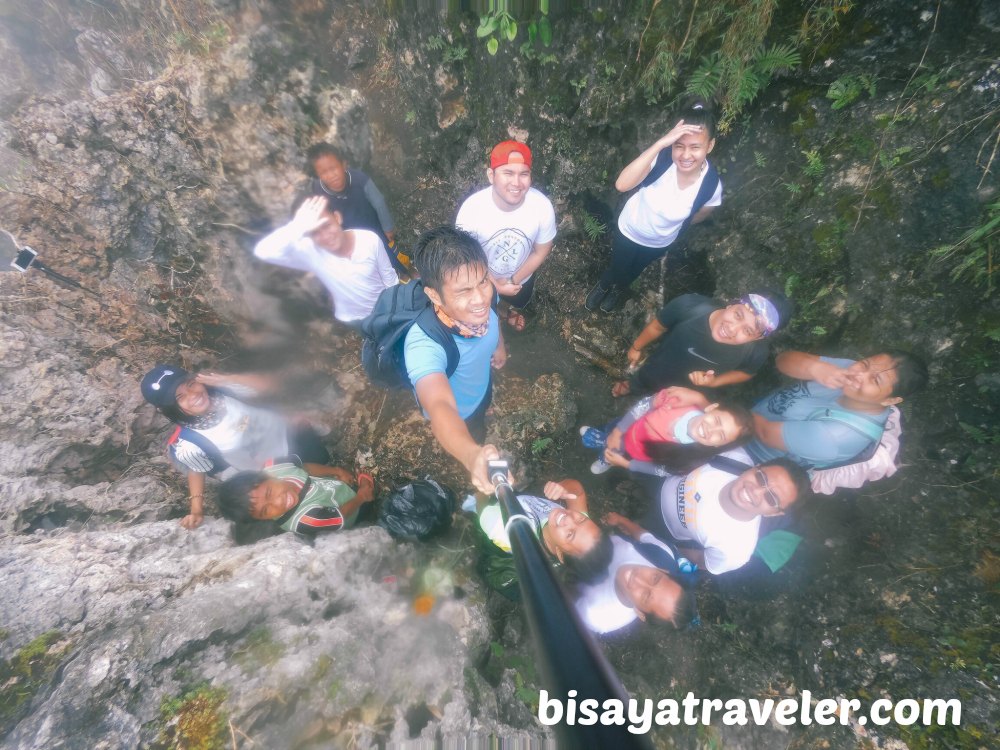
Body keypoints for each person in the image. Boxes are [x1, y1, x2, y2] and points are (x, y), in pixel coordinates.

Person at [140, 365, 329, 529]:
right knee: (309, 499)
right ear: (169, 409)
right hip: (273, 475)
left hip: (295, 440)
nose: (193, 394)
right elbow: (197, 469)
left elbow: (269, 386)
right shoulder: (189, 443)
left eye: (191, 384)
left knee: (327, 467)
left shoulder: (225, 391)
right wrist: (196, 510)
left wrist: (226, 380)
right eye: (180, 397)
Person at [585, 102, 721, 313]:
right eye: (679, 145)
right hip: (630, 230)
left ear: (710, 146)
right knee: (619, 265)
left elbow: (702, 213)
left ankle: (618, 289)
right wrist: (660, 144)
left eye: (695, 147)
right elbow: (622, 185)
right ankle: (604, 284)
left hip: (659, 242)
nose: (685, 155)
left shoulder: (711, 184)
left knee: (635, 270)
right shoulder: (662, 159)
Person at [403, 226, 508, 493]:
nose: (480, 299)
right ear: (434, 295)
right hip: (460, 412)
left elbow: (492, 317)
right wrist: (472, 455)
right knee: (475, 431)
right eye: (463, 291)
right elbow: (439, 406)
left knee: (484, 407)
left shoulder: (486, 296)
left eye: (483, 281)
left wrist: (499, 347)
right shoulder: (424, 344)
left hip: (482, 388)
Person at [747, 350, 928, 469]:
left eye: (875, 380)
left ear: (891, 400)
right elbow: (782, 360)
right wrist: (814, 367)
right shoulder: (854, 371)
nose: (860, 375)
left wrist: (726, 410)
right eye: (865, 364)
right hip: (752, 413)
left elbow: (764, 433)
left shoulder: (838, 436)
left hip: (752, 456)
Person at [647, 450, 810, 575]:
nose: (756, 491)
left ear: (774, 513)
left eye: (771, 498)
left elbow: (702, 560)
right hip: (660, 477)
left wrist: (665, 548)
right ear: (756, 467)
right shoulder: (735, 457)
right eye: (761, 478)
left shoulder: (736, 550)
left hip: (661, 529)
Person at [456, 140, 557, 332]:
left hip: (521, 278)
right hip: (480, 280)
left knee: (519, 302)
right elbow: (466, 258)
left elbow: (541, 250)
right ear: (491, 175)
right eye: (508, 173)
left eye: (523, 174)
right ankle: (497, 320)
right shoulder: (471, 211)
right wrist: (495, 285)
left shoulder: (541, 207)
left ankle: (508, 312)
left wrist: (512, 280)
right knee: (483, 310)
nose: (516, 183)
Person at [612, 290, 791, 398]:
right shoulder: (690, 306)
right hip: (655, 369)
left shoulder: (755, 352)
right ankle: (631, 388)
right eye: (738, 315)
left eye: (748, 331)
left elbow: (746, 373)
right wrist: (636, 347)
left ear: (757, 338)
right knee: (640, 381)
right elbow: (658, 326)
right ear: (732, 304)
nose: (732, 329)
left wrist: (714, 383)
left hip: (684, 394)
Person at [254, 195, 398, 327]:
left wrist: (396, 307)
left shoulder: (369, 240)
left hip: (387, 307)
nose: (325, 236)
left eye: (326, 225)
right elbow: (263, 252)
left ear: (337, 217)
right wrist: (297, 226)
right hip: (357, 320)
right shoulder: (310, 251)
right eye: (314, 232)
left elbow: (389, 276)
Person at [579, 387, 754, 475]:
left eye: (721, 436)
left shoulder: (691, 459)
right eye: (717, 420)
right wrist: (618, 431)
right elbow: (643, 406)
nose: (711, 430)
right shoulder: (678, 401)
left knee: (613, 453)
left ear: (718, 445)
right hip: (627, 427)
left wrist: (625, 464)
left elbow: (659, 469)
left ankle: (607, 460)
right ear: (712, 408)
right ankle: (603, 435)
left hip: (634, 454)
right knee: (610, 433)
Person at [575, 511, 695, 636]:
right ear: (663, 570)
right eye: (655, 578)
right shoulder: (661, 554)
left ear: (640, 613)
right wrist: (620, 520)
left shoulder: (598, 616)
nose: (638, 578)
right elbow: (643, 535)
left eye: (645, 595)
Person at [304, 142, 407, 273]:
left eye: (333, 168)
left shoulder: (359, 179)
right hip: (349, 236)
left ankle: (406, 274)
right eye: (324, 172)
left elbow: (379, 201)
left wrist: (388, 228)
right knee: (366, 265)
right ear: (318, 175)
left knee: (391, 257)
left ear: (343, 164)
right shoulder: (318, 190)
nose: (331, 175)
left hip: (374, 229)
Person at [478, 479, 612, 578]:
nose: (570, 519)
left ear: (560, 554)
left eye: (570, 534)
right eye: (582, 519)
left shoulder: (510, 532)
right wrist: (563, 489)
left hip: (494, 511)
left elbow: (483, 513)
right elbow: (578, 493)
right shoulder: (579, 529)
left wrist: (480, 492)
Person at [217, 456, 374, 537]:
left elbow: (304, 468)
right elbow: (340, 515)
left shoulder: (275, 465)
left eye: (269, 492)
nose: (278, 503)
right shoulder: (305, 520)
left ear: (266, 475)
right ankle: (368, 501)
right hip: (351, 511)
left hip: (331, 486)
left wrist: (337, 471)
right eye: (266, 511)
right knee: (366, 511)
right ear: (262, 519)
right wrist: (360, 497)